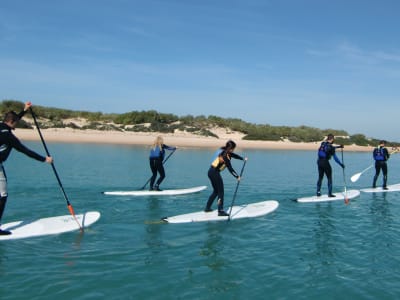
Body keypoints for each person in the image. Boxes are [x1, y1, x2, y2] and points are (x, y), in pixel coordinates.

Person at [0, 102, 53, 235]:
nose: (17, 124)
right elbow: (25, 151)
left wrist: (24, 111)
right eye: (16, 122)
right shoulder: (9, 137)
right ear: (11, 122)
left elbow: (14, 118)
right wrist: (44, 159)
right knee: (2, 195)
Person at [205, 140, 247, 216]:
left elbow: (234, 155)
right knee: (221, 192)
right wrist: (237, 177)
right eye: (233, 148)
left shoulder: (225, 151)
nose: (233, 150)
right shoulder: (225, 156)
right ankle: (220, 211)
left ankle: (207, 208)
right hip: (214, 173)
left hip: (210, 172)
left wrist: (242, 158)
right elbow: (230, 168)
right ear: (231, 148)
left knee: (216, 191)